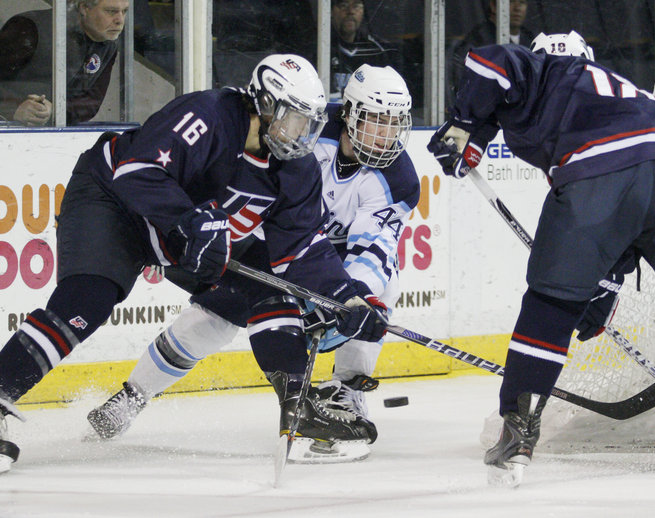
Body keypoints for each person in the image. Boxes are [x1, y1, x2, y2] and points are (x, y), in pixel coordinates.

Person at [0, 53, 388, 475]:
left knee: (272, 283)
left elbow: (302, 248)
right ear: (264, 104)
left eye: (309, 124)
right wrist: (193, 221)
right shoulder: (209, 115)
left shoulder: (297, 170)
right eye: (293, 120)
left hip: (190, 229)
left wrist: (346, 299)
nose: (301, 135)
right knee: (87, 299)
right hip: (114, 202)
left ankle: (298, 406)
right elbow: (138, 169)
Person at [428, 31, 655, 486]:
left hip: (605, 170)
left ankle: (519, 430)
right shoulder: (621, 93)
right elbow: (625, 231)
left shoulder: (549, 71)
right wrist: (600, 292)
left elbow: (494, 62)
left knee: (551, 304)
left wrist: (464, 124)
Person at [86, 64, 419, 463]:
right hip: (273, 240)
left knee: (380, 290)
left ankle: (346, 391)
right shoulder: (304, 127)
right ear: (348, 112)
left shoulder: (399, 178)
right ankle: (133, 395)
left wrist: (346, 300)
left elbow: (375, 247)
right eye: (376, 121)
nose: (386, 135)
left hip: (333, 258)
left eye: (395, 124)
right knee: (211, 318)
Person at [0, 0, 129, 126]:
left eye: (124, 12)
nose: (120, 21)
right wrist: (14, 108)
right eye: (111, 11)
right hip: (2, 128)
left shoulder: (108, 43)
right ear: (85, 8)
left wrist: (55, 109)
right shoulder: (28, 27)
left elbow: (91, 102)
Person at [448, 0, 535, 104]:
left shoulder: (531, 41)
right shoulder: (477, 41)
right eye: (510, 2)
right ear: (494, 5)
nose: (517, 8)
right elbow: (465, 87)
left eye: (522, 2)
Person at [329, 0, 404, 101]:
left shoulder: (377, 52)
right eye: (343, 5)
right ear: (331, 11)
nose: (350, 11)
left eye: (356, 6)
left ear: (363, 11)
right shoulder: (319, 49)